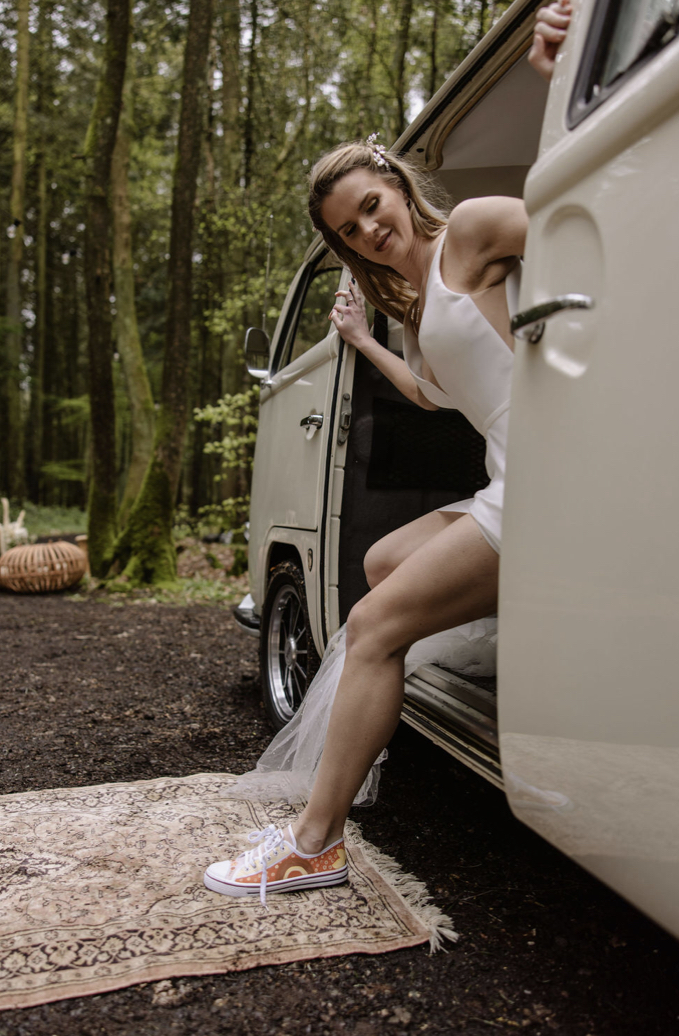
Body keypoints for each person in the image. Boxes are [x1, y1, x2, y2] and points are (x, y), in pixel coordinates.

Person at [203, 1, 572, 904]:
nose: (368, 230)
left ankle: (313, 843)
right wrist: (365, 341)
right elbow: (435, 395)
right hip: (506, 475)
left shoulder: (470, 232)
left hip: (548, 483)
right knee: (377, 561)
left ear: (398, 188)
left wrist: (561, 86)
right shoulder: (413, 307)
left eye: (371, 206)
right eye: (348, 229)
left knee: (372, 626)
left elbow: (585, 227)